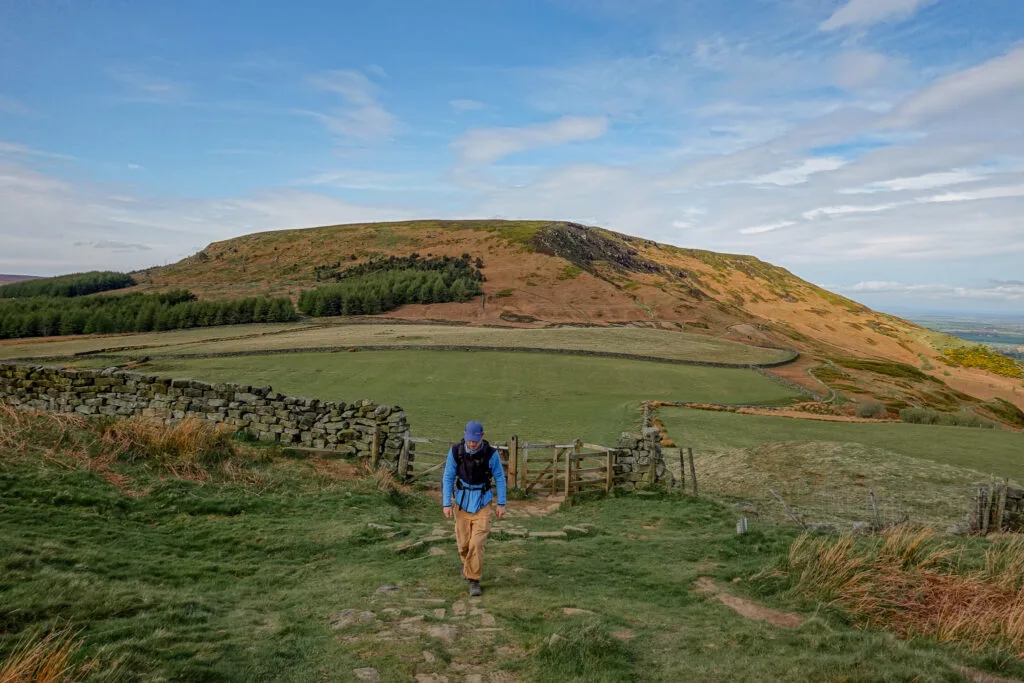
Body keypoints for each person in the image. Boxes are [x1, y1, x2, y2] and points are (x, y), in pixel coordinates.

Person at [442, 420, 507, 597]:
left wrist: (501, 503)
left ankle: (474, 580)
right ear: (465, 436)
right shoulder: (456, 451)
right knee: (463, 543)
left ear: (482, 437)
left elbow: (500, 478)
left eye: (475, 441)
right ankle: (467, 566)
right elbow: (448, 476)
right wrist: (446, 503)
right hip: (461, 503)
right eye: (469, 440)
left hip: (483, 502)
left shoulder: (491, 454)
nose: (472, 443)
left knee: (477, 543)